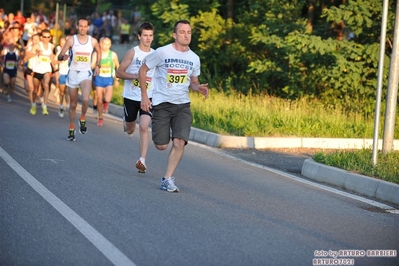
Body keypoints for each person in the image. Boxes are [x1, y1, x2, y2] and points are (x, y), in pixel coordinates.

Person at [138, 20, 209, 192]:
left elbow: (193, 82)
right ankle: (163, 131)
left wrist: (197, 88)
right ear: (174, 35)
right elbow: (142, 70)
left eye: (189, 32)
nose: (186, 35)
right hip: (162, 103)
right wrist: (145, 97)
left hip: (182, 105)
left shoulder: (194, 58)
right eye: (182, 32)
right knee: (161, 145)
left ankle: (167, 179)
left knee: (179, 142)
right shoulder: (162, 52)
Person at [116, 22, 155, 173]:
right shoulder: (132, 53)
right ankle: (126, 123)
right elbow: (119, 72)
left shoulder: (155, 54)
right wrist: (135, 75)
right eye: (145, 35)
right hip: (131, 96)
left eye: (150, 35)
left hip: (148, 96)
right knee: (131, 129)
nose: (148, 38)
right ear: (139, 36)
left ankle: (142, 161)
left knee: (144, 127)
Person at [57, 17, 101, 141]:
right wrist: (63, 56)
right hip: (73, 73)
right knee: (73, 104)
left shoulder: (93, 41)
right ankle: (71, 128)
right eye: (80, 26)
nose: (83, 28)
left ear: (88, 27)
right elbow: (60, 55)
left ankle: (82, 117)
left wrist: (98, 65)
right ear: (77, 26)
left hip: (85, 73)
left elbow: (99, 51)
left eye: (85, 26)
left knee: (86, 100)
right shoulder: (71, 40)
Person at [92, 37, 119, 126]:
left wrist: (117, 79)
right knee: (99, 100)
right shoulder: (96, 54)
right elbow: (92, 65)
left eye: (108, 44)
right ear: (100, 44)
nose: (106, 46)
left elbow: (117, 66)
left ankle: (106, 103)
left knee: (107, 98)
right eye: (104, 44)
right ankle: (100, 118)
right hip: (99, 78)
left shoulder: (113, 55)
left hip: (109, 78)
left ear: (110, 45)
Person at [32, 29, 54, 115]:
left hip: (47, 70)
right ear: (41, 37)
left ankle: (44, 106)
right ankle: (33, 104)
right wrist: (36, 53)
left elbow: (52, 60)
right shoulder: (38, 46)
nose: (46, 39)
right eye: (44, 37)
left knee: (46, 85)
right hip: (37, 70)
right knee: (35, 90)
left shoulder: (51, 46)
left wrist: (62, 60)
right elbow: (28, 54)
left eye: (48, 37)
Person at [55, 36, 70, 117]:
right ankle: (61, 106)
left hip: (70, 74)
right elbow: (55, 60)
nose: (63, 44)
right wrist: (60, 61)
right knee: (62, 92)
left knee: (68, 91)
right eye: (62, 42)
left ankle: (68, 105)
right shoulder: (60, 51)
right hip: (62, 73)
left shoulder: (72, 51)